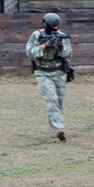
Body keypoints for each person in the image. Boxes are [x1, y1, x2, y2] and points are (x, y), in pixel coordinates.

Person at [26, 13, 73, 141]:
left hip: (59, 73)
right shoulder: (37, 35)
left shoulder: (62, 36)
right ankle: (58, 128)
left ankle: (54, 127)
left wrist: (60, 47)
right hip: (43, 73)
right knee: (51, 99)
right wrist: (44, 46)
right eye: (52, 26)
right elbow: (29, 52)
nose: (54, 28)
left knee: (59, 101)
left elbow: (68, 53)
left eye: (56, 26)